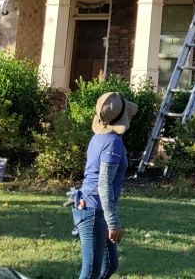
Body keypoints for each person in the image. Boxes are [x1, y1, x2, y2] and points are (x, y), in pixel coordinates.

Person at [73, 91, 137, 279]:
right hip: (92, 210)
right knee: (91, 272)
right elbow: (103, 185)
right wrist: (113, 222)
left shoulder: (100, 138)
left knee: (110, 264)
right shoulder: (113, 143)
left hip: (92, 208)